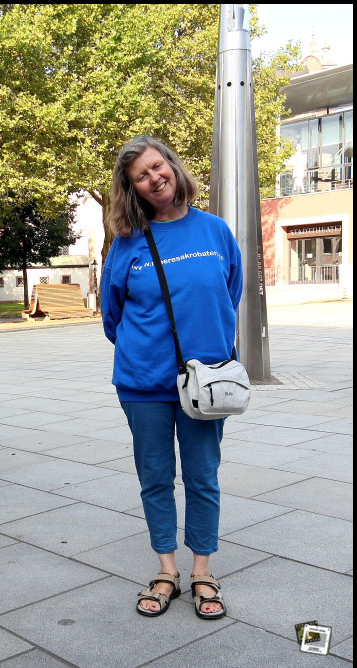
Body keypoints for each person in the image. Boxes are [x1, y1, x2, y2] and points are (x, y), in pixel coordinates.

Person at [100, 135, 242, 619]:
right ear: (132, 189)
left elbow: (230, 293)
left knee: (202, 477)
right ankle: (167, 571)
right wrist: (149, 349)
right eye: (141, 176)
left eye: (157, 166)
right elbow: (112, 316)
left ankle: (202, 571)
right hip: (143, 384)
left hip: (205, 385)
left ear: (173, 167)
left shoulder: (215, 231)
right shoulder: (126, 244)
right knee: (156, 478)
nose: (154, 178)